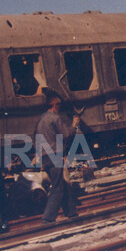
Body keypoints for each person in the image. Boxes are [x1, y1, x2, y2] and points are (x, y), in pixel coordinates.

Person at [35, 89, 80, 223]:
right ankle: (48, 218)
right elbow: (66, 134)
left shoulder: (41, 119)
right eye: (59, 105)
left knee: (62, 183)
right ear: (54, 106)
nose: (60, 108)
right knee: (57, 187)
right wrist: (75, 125)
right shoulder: (55, 118)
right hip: (54, 155)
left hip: (44, 156)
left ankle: (71, 212)